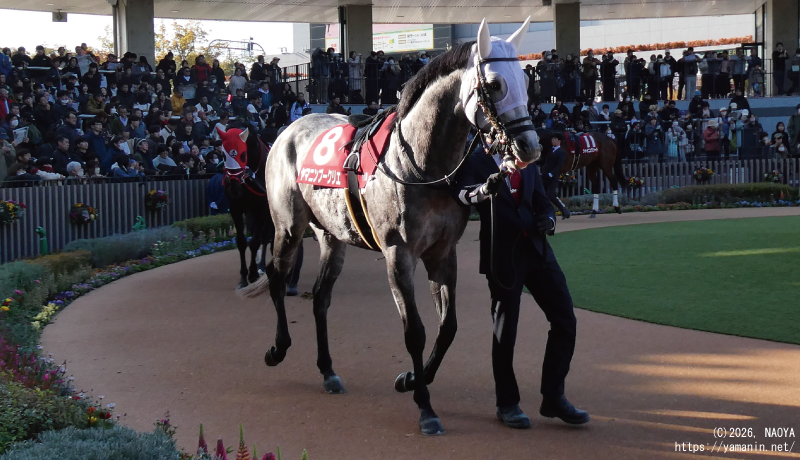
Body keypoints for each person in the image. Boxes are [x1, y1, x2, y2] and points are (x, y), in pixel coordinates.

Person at [451, 143, 589, 430]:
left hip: (538, 251)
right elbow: (462, 195)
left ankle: (553, 396)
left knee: (565, 320)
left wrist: (549, 219)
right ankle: (507, 403)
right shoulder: (476, 160)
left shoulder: (527, 157)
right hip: (501, 255)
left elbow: (541, 200)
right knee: (506, 329)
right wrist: (483, 191)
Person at [540, 133, 570, 219]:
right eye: (552, 139)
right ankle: (545, 212)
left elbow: (559, 166)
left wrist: (551, 174)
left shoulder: (561, 152)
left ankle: (564, 210)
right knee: (542, 194)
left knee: (551, 195)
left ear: (559, 141)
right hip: (545, 175)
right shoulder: (550, 150)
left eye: (554, 139)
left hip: (553, 177)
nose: (552, 140)